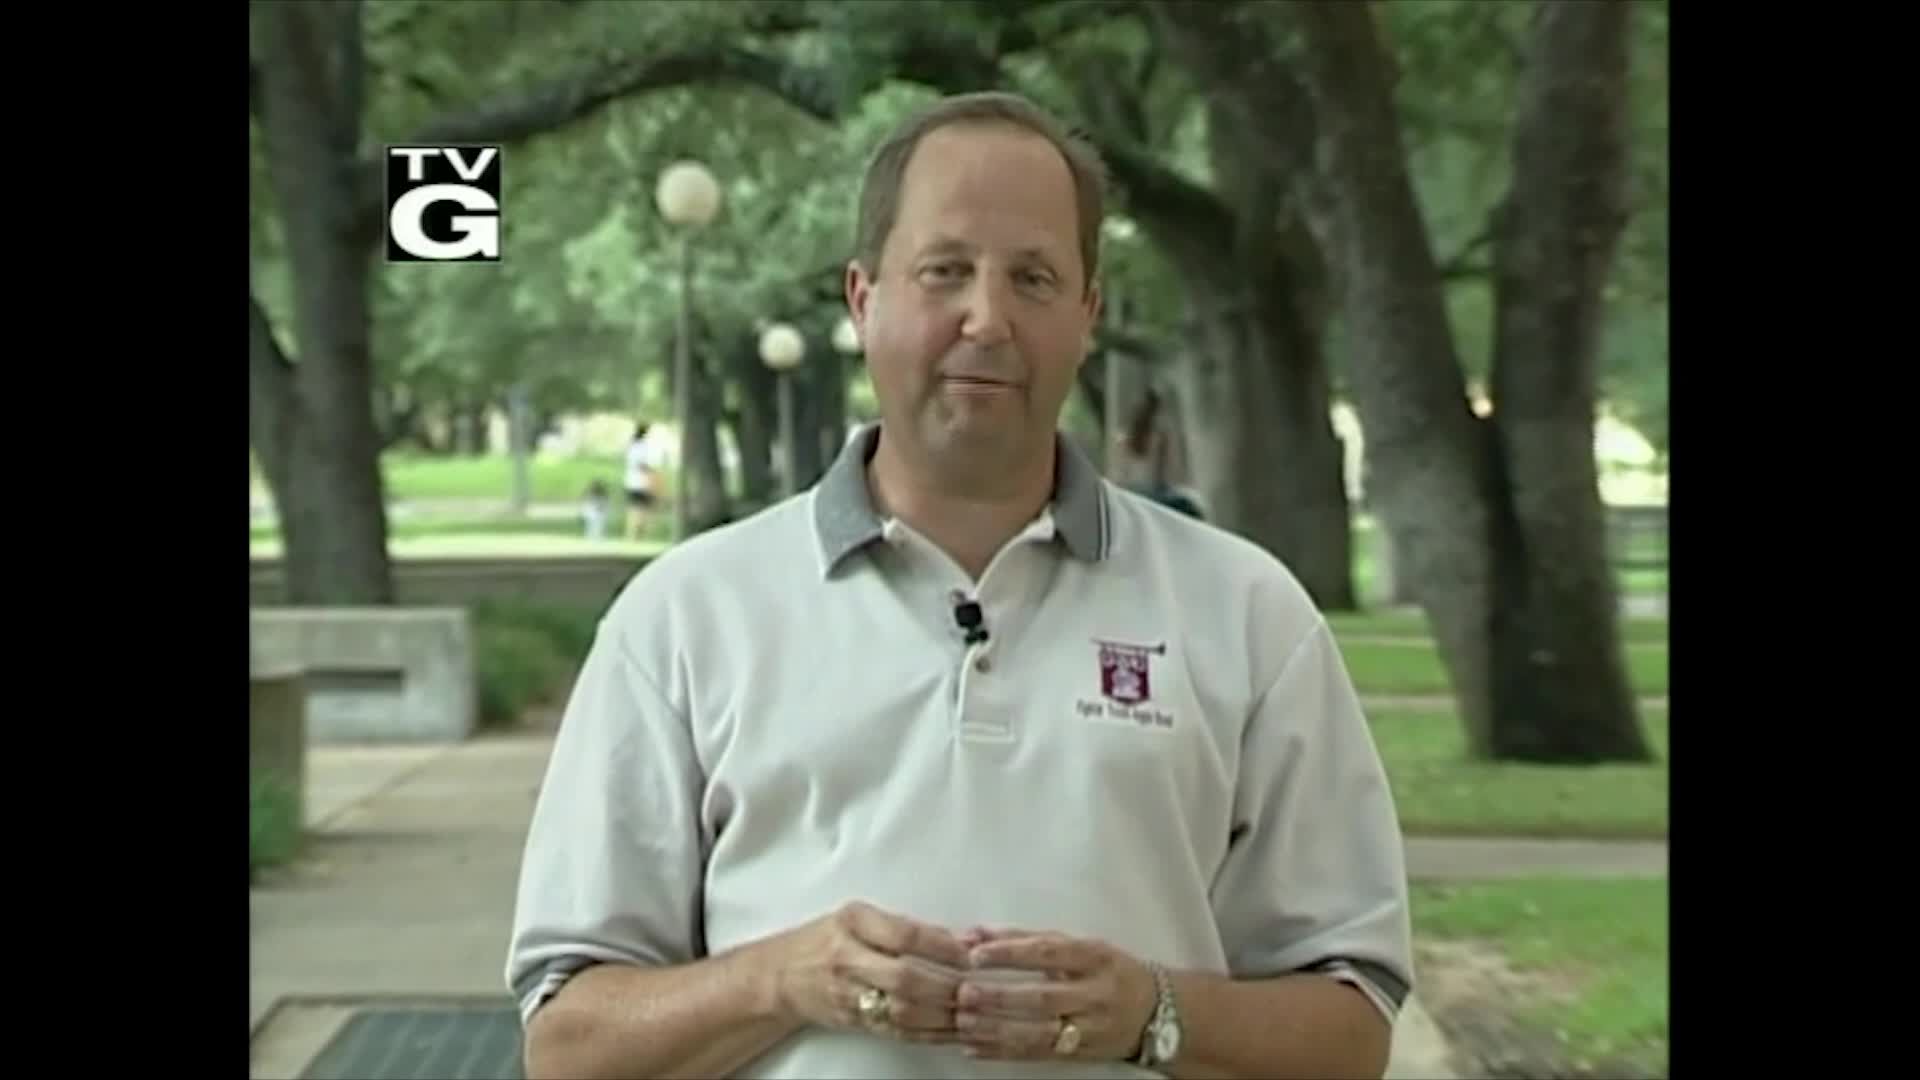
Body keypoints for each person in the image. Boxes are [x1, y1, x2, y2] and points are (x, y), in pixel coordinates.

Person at [505, 91, 1412, 1080]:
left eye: (1033, 277)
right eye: (945, 272)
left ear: (1087, 315)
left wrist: (1151, 1013)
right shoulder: (684, 618)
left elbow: (1351, 1029)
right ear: (864, 298)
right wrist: (780, 978)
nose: (987, 318)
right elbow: (568, 1045)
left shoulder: (1248, 615)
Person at [1109, 387, 1204, 520]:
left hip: (1134, 494)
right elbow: (1168, 476)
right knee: (1190, 504)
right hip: (1147, 495)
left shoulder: (1124, 439)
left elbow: (1118, 478)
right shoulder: (1156, 439)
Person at [622, 421, 665, 539]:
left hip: (632, 482)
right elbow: (641, 464)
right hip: (641, 483)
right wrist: (653, 472)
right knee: (641, 510)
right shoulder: (640, 446)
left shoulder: (631, 446)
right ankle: (637, 535)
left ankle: (633, 535)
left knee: (634, 510)